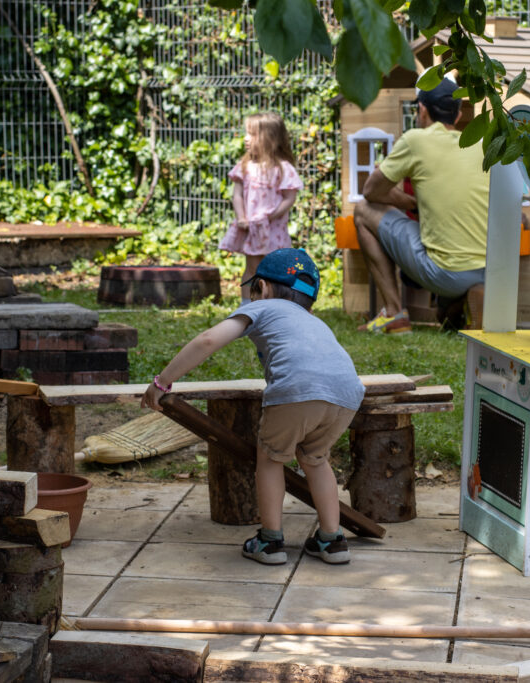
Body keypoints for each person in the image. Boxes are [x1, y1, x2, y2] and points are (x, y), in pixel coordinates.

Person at [141, 248, 365, 565]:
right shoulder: (313, 319)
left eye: (252, 290)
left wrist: (163, 381)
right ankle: (332, 540)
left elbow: (208, 340)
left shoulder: (262, 308)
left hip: (297, 390)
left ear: (263, 288)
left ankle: (270, 541)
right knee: (315, 458)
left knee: (271, 459)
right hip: (347, 393)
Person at [352, 78, 490, 334]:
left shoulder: (416, 140)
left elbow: (371, 191)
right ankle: (468, 299)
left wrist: (408, 202)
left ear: (422, 110)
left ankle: (393, 313)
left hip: (445, 274)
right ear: (458, 114)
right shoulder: (480, 145)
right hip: (490, 269)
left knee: (362, 211)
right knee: (444, 321)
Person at [219, 113, 303, 305]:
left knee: (277, 269)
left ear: (270, 138)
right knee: (252, 267)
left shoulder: (283, 168)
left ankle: (278, 304)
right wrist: (242, 217)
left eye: (252, 134)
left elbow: (289, 198)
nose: (246, 139)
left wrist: (272, 215)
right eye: (246, 133)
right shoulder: (245, 166)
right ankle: (247, 306)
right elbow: (238, 194)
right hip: (253, 230)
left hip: (274, 231)